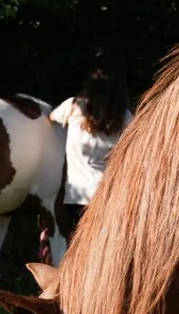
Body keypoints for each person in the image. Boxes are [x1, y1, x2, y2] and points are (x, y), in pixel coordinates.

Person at [49, 52, 132, 233]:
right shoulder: (126, 117)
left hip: (76, 198)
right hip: (110, 199)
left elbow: (51, 118)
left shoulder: (73, 107)